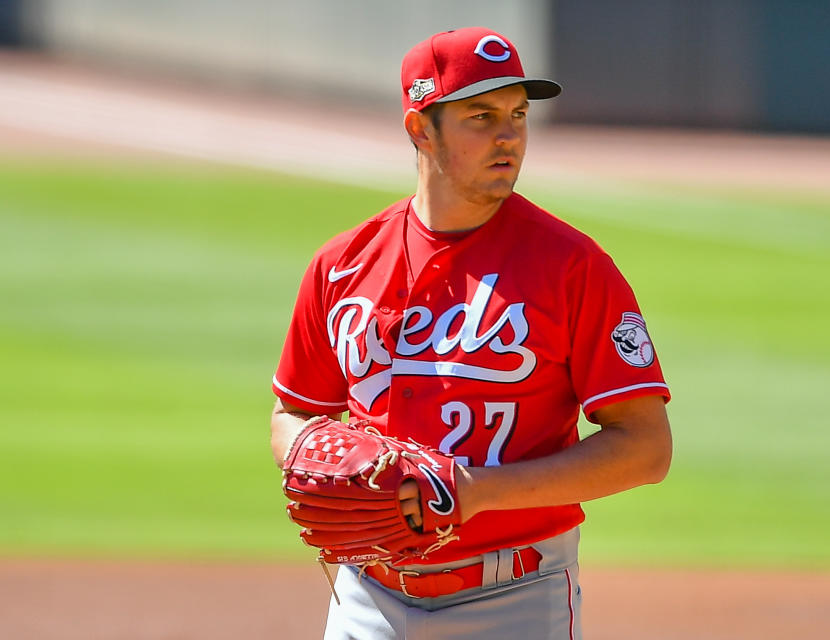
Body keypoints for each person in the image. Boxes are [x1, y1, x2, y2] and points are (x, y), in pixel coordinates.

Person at [269, 26, 673, 640]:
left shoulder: (572, 267)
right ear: (420, 129)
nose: (508, 134)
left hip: (515, 597)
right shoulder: (342, 264)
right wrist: (328, 462)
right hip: (366, 597)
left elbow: (646, 448)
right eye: (480, 116)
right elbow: (292, 413)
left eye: (517, 114)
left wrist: (473, 491)